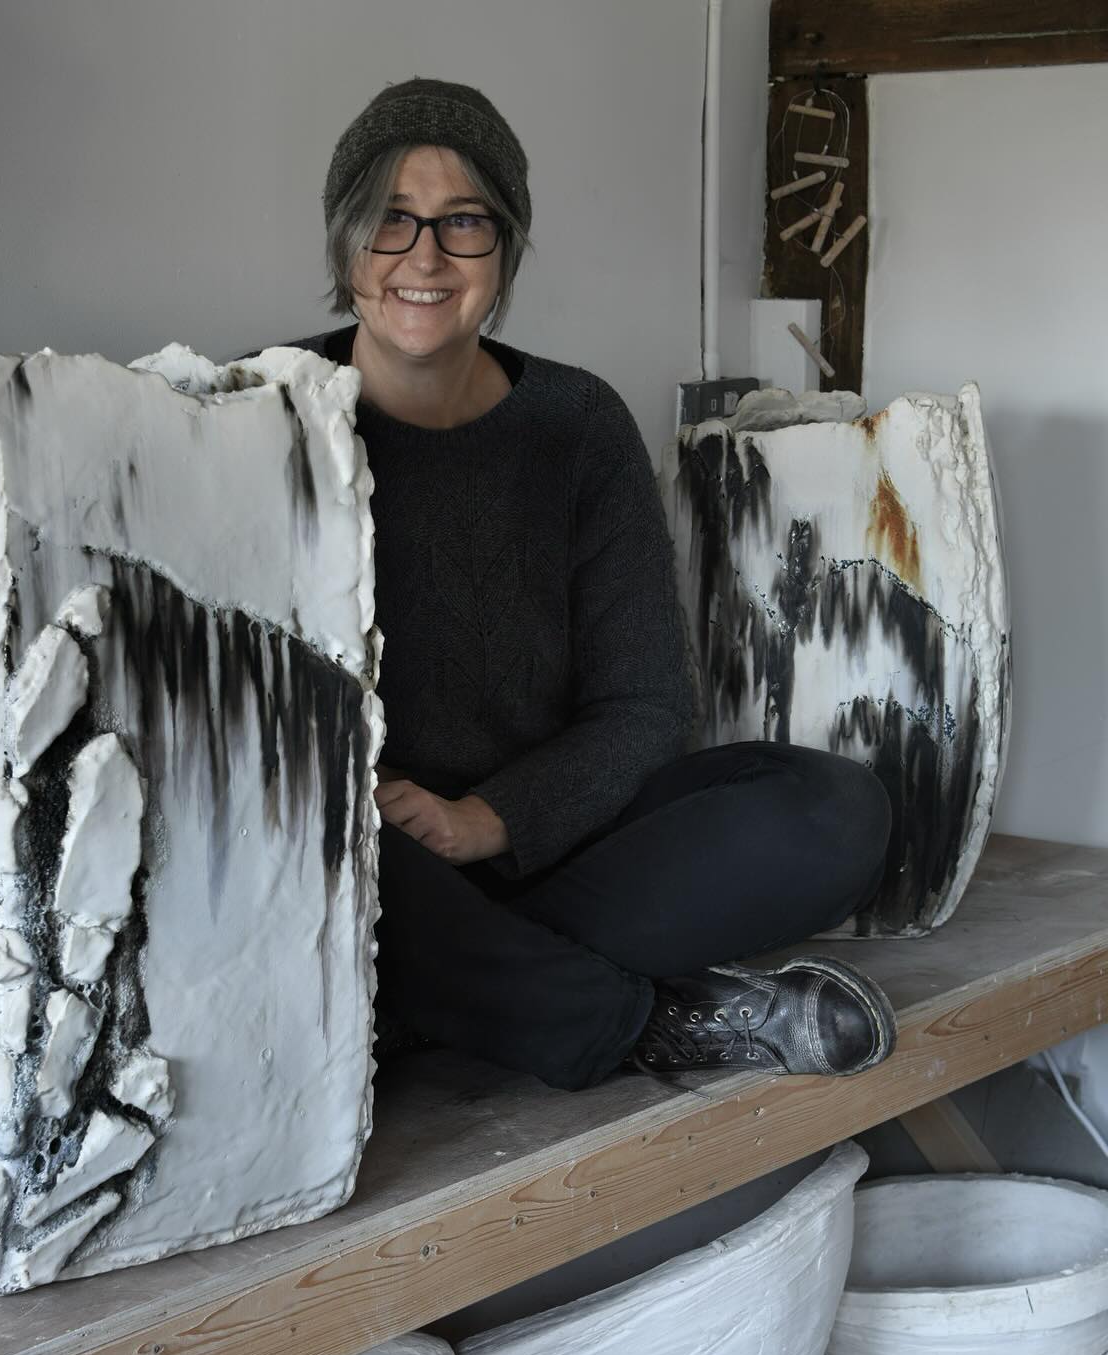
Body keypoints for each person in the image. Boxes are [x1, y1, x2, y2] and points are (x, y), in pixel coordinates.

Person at [279, 78, 895, 1092]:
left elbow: (646, 708)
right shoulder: (256, 413)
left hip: (549, 848)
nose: (423, 258)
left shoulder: (575, 425)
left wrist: (490, 817)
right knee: (305, 841)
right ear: (347, 243)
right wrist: (394, 828)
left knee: (834, 809)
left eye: (462, 223)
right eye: (390, 222)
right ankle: (629, 1019)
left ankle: (443, 996)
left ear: (505, 249)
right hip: (364, 861)